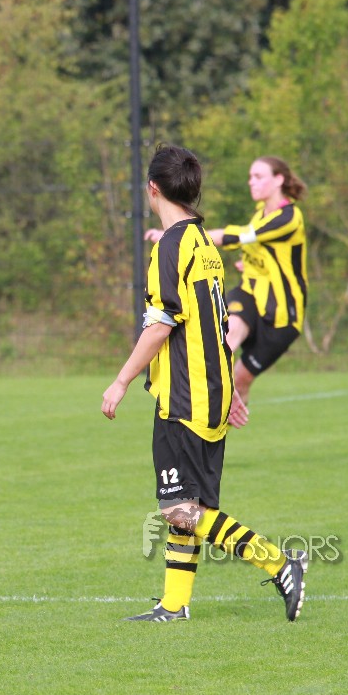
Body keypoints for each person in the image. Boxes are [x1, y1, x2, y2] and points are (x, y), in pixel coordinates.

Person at [103, 145, 307, 623]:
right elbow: (216, 325)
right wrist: (228, 389)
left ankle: (279, 563)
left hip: (185, 395)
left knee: (178, 509)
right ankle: (174, 603)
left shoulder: (171, 246)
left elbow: (161, 324)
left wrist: (121, 380)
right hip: (209, 389)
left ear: (153, 189)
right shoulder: (203, 244)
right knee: (187, 503)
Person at [146, 156, 307, 402]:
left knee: (240, 381)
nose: (251, 182)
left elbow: (241, 236)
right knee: (226, 341)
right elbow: (264, 252)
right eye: (250, 176)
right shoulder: (260, 213)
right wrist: (249, 264)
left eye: (258, 176)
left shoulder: (289, 216)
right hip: (251, 295)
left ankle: (222, 418)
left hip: (282, 314)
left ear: (279, 180)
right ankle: (200, 399)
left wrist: (178, 235)